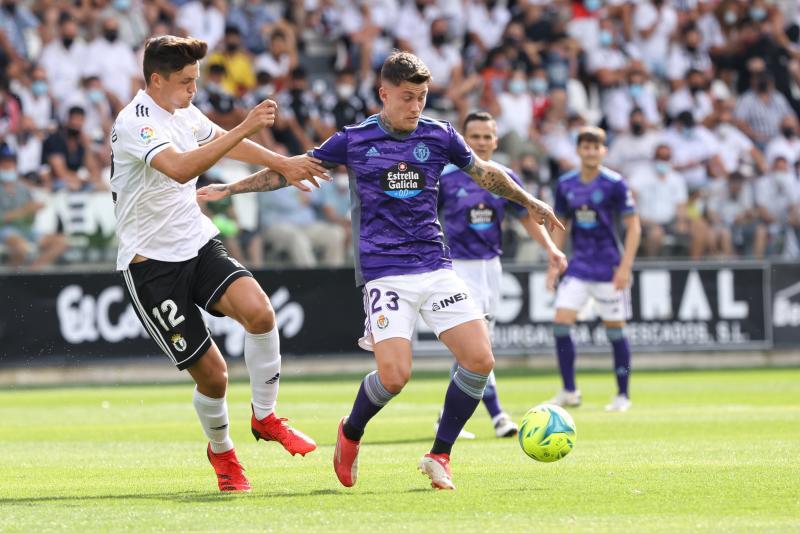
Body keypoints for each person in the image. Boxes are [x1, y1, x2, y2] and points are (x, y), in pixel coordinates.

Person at [197, 51, 562, 490]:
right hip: (385, 272)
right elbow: (292, 170)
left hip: (435, 264)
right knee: (395, 377)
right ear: (384, 94)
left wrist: (531, 202)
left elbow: (484, 173)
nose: (416, 106)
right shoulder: (355, 139)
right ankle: (351, 430)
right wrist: (233, 188)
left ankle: (440, 454)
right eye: (407, 97)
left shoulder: (440, 135)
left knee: (480, 359)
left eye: (422, 97)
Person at [110, 35, 327, 492]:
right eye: (186, 82)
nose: (193, 90)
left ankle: (266, 417)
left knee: (260, 311)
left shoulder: (183, 111)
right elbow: (182, 168)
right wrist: (245, 126)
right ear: (156, 80)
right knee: (214, 377)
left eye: (196, 80)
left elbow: (222, 145)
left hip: (197, 240)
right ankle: (223, 452)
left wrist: (283, 162)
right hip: (151, 265)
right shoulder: (135, 122)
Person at [433, 111, 568, 439]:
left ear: (495, 141)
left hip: (491, 268)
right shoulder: (446, 178)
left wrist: (551, 248)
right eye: (474, 136)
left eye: (486, 136)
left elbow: (525, 217)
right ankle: (498, 416)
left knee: (478, 348)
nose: (480, 142)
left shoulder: (504, 177)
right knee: (477, 347)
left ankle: (446, 416)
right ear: (465, 140)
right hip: (457, 268)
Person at [547, 126, 642, 413]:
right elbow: (561, 225)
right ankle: (569, 390)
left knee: (615, 331)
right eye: (585, 147)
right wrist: (555, 262)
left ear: (603, 151)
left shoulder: (614, 183)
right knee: (561, 324)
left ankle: (622, 395)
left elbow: (633, 225)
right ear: (578, 150)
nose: (590, 152)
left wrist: (625, 267)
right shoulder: (565, 185)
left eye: (595, 147)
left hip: (608, 268)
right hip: (578, 267)